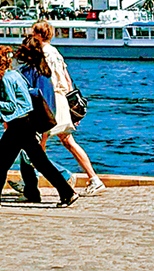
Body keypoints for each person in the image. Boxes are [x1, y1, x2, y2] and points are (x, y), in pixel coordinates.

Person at [0, 43, 74, 206]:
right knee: (40, 162)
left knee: (0, 162)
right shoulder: (16, 75)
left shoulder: (7, 79)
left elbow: (12, 106)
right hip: (28, 123)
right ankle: (67, 192)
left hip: (18, 125)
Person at [26, 21, 107, 194]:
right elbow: (68, 80)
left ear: (39, 35)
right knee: (67, 141)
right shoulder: (56, 52)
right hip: (61, 100)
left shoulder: (42, 53)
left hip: (49, 101)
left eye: (33, 33)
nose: (31, 35)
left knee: (38, 143)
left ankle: (38, 183)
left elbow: (43, 80)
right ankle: (93, 178)